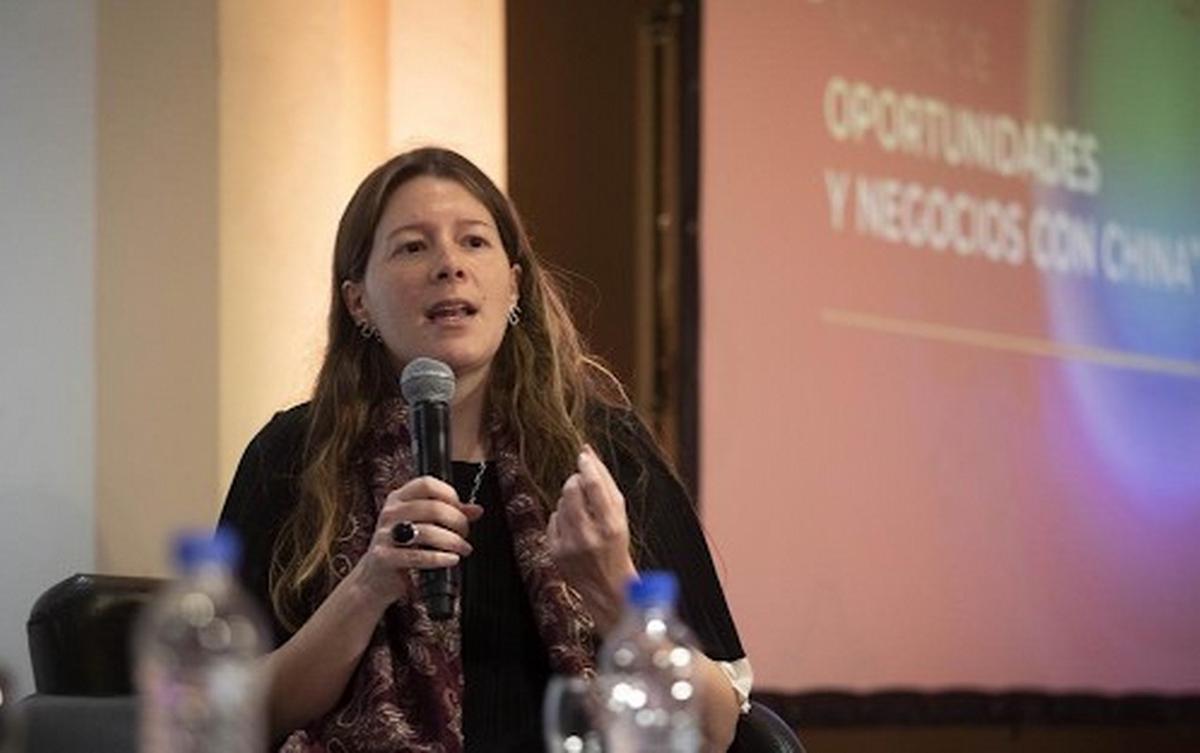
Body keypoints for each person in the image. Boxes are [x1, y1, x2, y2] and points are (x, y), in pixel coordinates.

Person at [218, 147, 751, 753]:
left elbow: (716, 729)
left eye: (473, 242)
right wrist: (367, 587)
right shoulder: (291, 456)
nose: (449, 266)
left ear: (514, 284)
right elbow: (232, 719)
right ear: (358, 300)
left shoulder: (606, 454)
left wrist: (611, 588)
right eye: (412, 247)